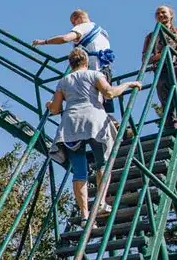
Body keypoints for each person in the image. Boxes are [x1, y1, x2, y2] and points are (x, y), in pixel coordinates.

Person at [46, 47, 142, 222]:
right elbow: (109, 93)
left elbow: (55, 109)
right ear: (86, 61)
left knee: (79, 171)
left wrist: (49, 105)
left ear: (70, 64)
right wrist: (128, 84)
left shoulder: (63, 81)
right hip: (94, 122)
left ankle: (84, 216)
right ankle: (101, 202)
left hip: (71, 126)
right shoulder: (94, 75)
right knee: (102, 163)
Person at [33, 9, 116, 114]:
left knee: (72, 88)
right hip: (105, 71)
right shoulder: (103, 32)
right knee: (101, 105)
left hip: (90, 71)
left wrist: (44, 42)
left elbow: (65, 38)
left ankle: (55, 104)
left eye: (73, 23)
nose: (73, 26)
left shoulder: (83, 27)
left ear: (79, 18)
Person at [141, 5, 177, 129]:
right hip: (162, 70)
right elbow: (145, 59)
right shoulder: (151, 36)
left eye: (163, 12)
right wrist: (162, 54)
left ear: (171, 15)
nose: (160, 15)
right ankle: (170, 128)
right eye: (157, 13)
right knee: (166, 102)